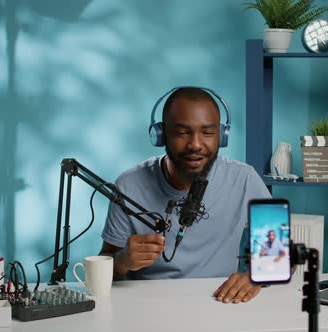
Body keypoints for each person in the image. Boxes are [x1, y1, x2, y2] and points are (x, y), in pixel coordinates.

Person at [99, 87, 271, 304]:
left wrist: (255, 278)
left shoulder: (244, 179)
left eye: (207, 133)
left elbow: (282, 256)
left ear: (222, 136)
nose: (196, 145)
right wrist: (123, 261)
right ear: (161, 135)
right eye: (182, 133)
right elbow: (103, 263)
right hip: (148, 307)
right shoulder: (128, 184)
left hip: (222, 304)